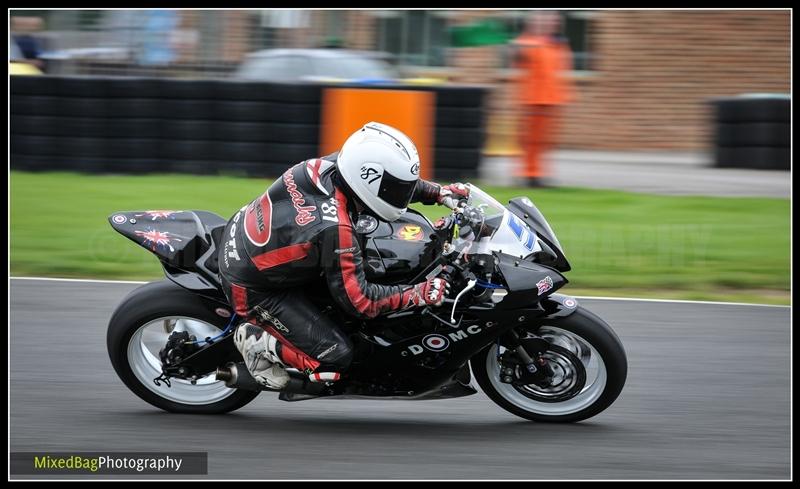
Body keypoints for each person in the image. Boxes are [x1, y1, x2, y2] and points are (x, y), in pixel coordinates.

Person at [218, 122, 470, 389]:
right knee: (336, 356)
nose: (401, 194)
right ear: (367, 179)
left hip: (253, 239)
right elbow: (361, 302)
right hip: (253, 286)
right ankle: (258, 342)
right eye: (396, 188)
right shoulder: (335, 227)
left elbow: (384, 184)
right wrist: (418, 293)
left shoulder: (327, 166)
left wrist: (438, 192)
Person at [512, 11, 574, 187]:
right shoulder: (528, 43)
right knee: (531, 141)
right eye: (547, 20)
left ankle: (539, 173)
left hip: (551, 100)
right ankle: (529, 175)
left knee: (544, 142)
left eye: (554, 21)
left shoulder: (557, 45)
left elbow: (560, 72)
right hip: (533, 100)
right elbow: (518, 54)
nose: (552, 24)